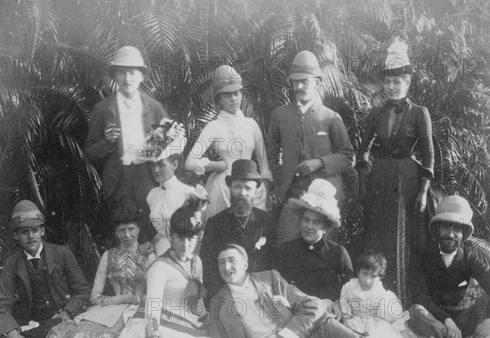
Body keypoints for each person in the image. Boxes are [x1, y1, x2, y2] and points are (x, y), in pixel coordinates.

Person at [209, 244, 490, 338]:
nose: (226, 266)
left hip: (316, 327)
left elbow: (309, 306)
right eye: (221, 262)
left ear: (245, 263)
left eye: (231, 259)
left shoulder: (269, 278)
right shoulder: (219, 302)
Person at [84, 201, 232, 338]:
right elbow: (152, 308)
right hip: (159, 325)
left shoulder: (197, 262)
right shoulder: (159, 267)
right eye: (180, 238)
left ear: (199, 238)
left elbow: (195, 303)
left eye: (191, 238)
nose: (185, 244)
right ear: (171, 237)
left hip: (186, 324)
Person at [357, 38, 434, 304]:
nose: (391, 87)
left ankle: (404, 302)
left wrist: (423, 192)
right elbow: (363, 148)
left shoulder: (419, 113)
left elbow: (428, 154)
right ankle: (376, 300)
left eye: (397, 82)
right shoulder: (376, 113)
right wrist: (363, 181)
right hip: (380, 180)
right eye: (388, 82)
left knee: (404, 240)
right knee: (379, 236)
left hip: (408, 183)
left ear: (408, 82)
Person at [407, 195, 490, 338]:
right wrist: (446, 320)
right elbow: (419, 297)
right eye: (446, 227)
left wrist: (489, 321)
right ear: (437, 229)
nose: (451, 234)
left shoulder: (469, 256)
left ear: (463, 234)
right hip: (436, 321)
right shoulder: (424, 254)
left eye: (457, 229)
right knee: (416, 312)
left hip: (461, 319)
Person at [267, 50, 355, 244]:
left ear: (317, 82)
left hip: (324, 200)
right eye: (295, 82)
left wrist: (320, 162)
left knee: (324, 253)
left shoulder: (330, 117)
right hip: (293, 195)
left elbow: (348, 157)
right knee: (287, 246)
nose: (299, 86)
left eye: (305, 81)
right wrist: (282, 178)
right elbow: (271, 152)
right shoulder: (280, 115)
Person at [84, 46, 168, 236]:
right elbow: (89, 153)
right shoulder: (103, 109)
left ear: (142, 76)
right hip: (118, 182)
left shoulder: (154, 108)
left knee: (150, 233)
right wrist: (107, 141)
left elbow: (172, 146)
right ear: (115, 77)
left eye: (132, 73)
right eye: (122, 73)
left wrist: (155, 149)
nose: (127, 79)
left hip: (148, 179)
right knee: (124, 236)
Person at [0, 200, 91, 338]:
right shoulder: (12, 262)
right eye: (24, 232)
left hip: (60, 317)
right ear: (16, 235)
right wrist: (12, 332)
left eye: (35, 230)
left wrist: (68, 311)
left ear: (42, 231)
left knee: (60, 325)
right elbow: (0, 303)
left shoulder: (63, 253)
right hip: (31, 319)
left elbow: (83, 291)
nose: (31, 236)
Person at [47, 208, 154, 338]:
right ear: (116, 232)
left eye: (131, 229)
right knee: (78, 335)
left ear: (139, 229)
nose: (127, 235)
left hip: (140, 309)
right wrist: (110, 301)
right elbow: (94, 296)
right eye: (121, 230)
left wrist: (126, 299)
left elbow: (157, 298)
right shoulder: (108, 255)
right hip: (112, 309)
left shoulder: (150, 257)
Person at [185, 65, 272, 220]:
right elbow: (189, 162)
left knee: (255, 235)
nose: (233, 98)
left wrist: (264, 184)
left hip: (252, 189)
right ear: (219, 99)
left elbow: (263, 162)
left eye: (236, 93)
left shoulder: (251, 124)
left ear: (241, 94)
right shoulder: (213, 127)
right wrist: (216, 166)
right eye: (227, 95)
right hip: (223, 188)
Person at [199, 159, 277, 304]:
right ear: (230, 187)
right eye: (237, 187)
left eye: (248, 188)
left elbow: (273, 264)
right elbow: (208, 268)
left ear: (255, 191)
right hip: (225, 296)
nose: (242, 193)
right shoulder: (215, 223)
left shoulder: (267, 222)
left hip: (260, 296)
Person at [339, 250, 436, 338]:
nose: (367, 280)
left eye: (373, 276)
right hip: (355, 327)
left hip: (380, 330)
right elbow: (346, 313)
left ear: (380, 277)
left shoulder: (383, 295)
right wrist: (349, 328)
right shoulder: (348, 288)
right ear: (358, 272)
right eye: (364, 274)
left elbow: (398, 323)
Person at [274, 179, 353, 301]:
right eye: (306, 220)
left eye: (316, 222)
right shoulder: (286, 250)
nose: (309, 226)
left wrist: (338, 303)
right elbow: (276, 286)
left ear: (326, 227)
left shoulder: (338, 253)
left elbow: (349, 289)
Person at [147, 142, 208, 256]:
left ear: (175, 165)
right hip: (160, 249)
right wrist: (153, 242)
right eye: (153, 165)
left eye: (161, 165)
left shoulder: (188, 193)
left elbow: (198, 233)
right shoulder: (152, 195)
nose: (156, 170)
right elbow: (161, 229)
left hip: (183, 250)